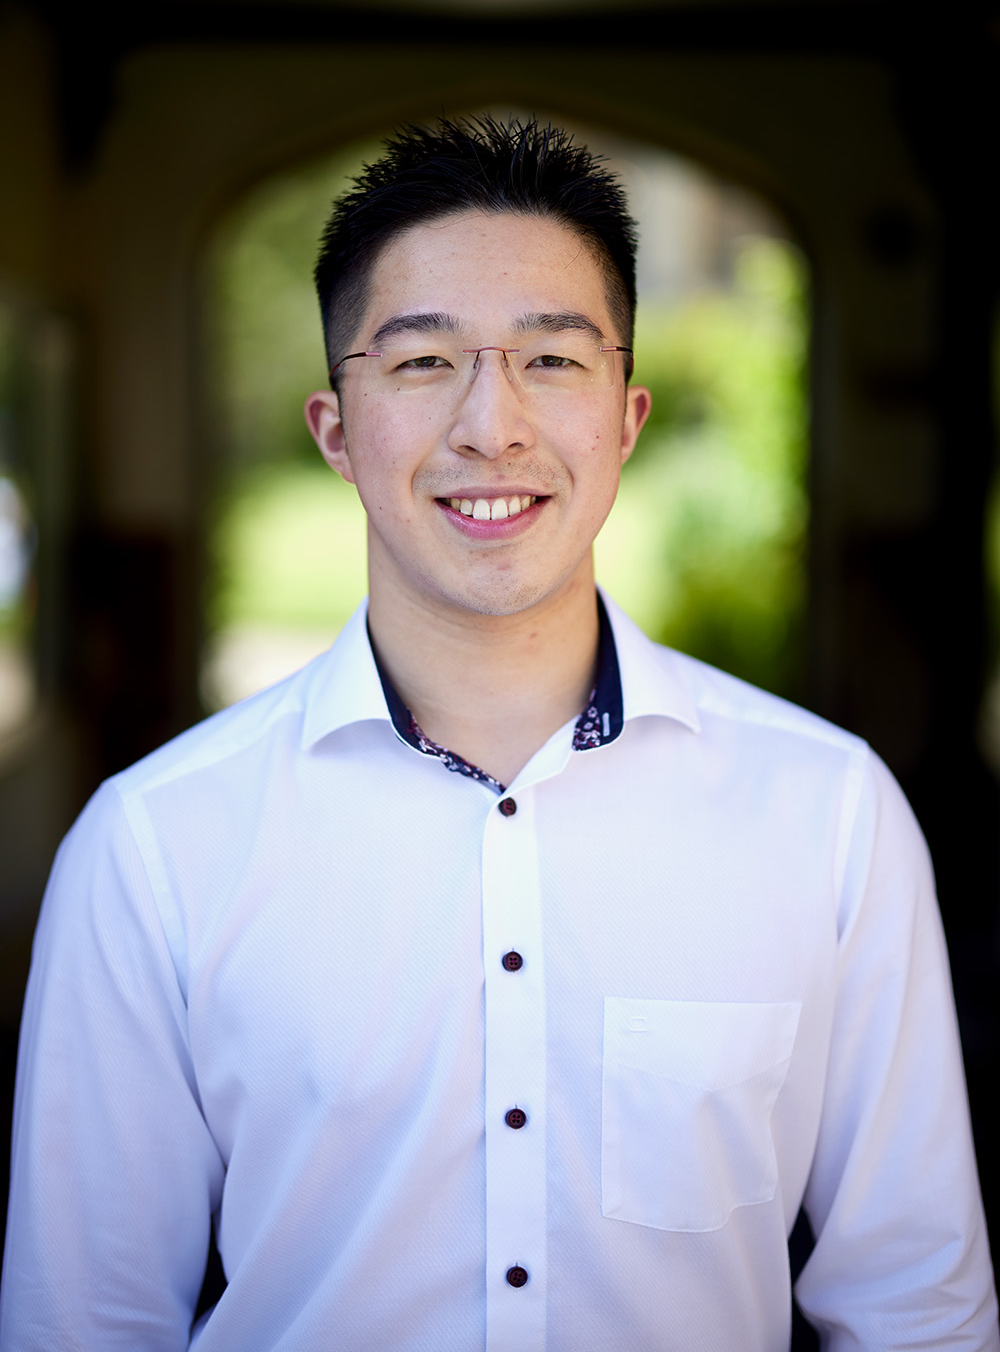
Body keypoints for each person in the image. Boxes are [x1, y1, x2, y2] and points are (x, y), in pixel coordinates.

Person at [1, 116, 996, 1352]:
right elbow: (82, 1324)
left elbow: (916, 1311)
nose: (492, 426)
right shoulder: (154, 849)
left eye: (551, 361)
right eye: (423, 363)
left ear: (625, 420)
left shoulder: (829, 816)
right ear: (333, 429)